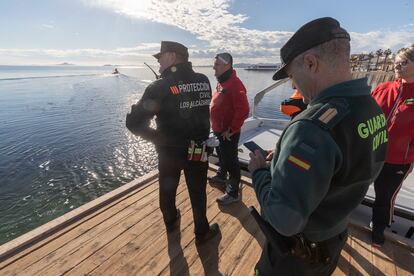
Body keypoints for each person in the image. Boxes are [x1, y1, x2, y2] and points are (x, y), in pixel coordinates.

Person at [248, 17, 387, 275]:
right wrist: (283, 157)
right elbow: (348, 164)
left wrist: (259, 173)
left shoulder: (311, 128)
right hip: (332, 240)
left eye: (292, 75)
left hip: (295, 255)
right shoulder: (371, 109)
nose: (292, 85)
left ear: (311, 63)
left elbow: (284, 219)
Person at [126, 41, 219, 244]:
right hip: (199, 149)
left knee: (167, 190)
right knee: (198, 191)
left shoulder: (158, 87)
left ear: (172, 57)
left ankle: (171, 222)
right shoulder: (204, 80)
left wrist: (159, 138)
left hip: (170, 152)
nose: (158, 62)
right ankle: (202, 232)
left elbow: (133, 123)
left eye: (160, 57)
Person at [370, 45, 414, 247]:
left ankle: (378, 229)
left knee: (384, 197)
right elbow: (364, 115)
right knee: (353, 185)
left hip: (398, 161)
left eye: (403, 62)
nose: (397, 65)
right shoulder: (383, 88)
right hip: (370, 154)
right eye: (396, 61)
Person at [209, 52, 249, 204]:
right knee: (221, 153)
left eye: (217, 65)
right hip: (219, 130)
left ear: (227, 65)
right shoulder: (222, 82)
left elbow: (243, 110)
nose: (214, 68)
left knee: (231, 160)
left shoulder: (235, 84)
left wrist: (231, 129)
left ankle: (233, 192)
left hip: (228, 133)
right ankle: (221, 174)